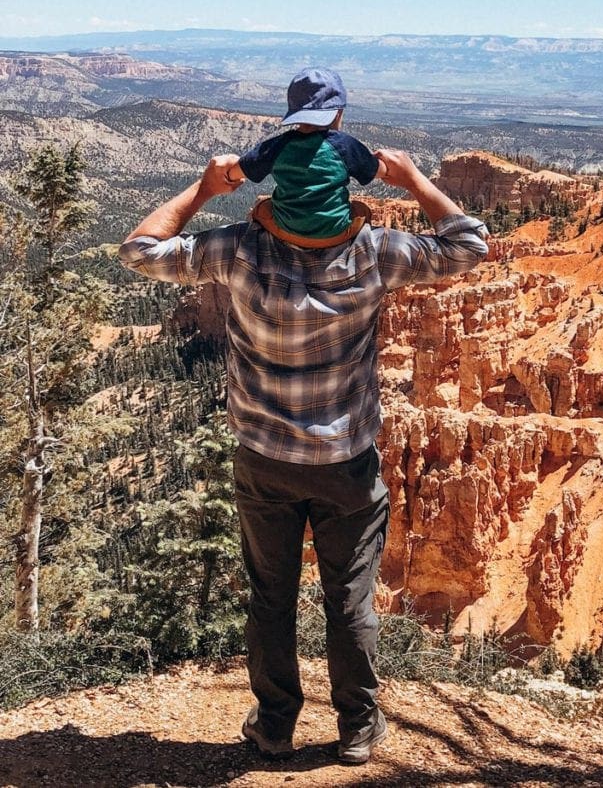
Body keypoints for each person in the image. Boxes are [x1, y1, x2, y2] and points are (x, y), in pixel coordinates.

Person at [118, 146, 490, 764]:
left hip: (264, 459)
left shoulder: (237, 251)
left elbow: (140, 250)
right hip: (346, 461)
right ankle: (357, 728)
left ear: (275, 203)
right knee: (350, 598)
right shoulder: (376, 252)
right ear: (341, 202)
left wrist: (206, 189)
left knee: (271, 595)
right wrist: (412, 178)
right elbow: (469, 243)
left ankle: (273, 726)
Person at [226, 66, 389, 246]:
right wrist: (383, 162)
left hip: (284, 230)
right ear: (338, 113)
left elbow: (235, 172)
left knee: (262, 208)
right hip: (336, 233)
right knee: (362, 210)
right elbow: (380, 172)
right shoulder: (345, 146)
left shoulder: (277, 145)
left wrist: (229, 173)